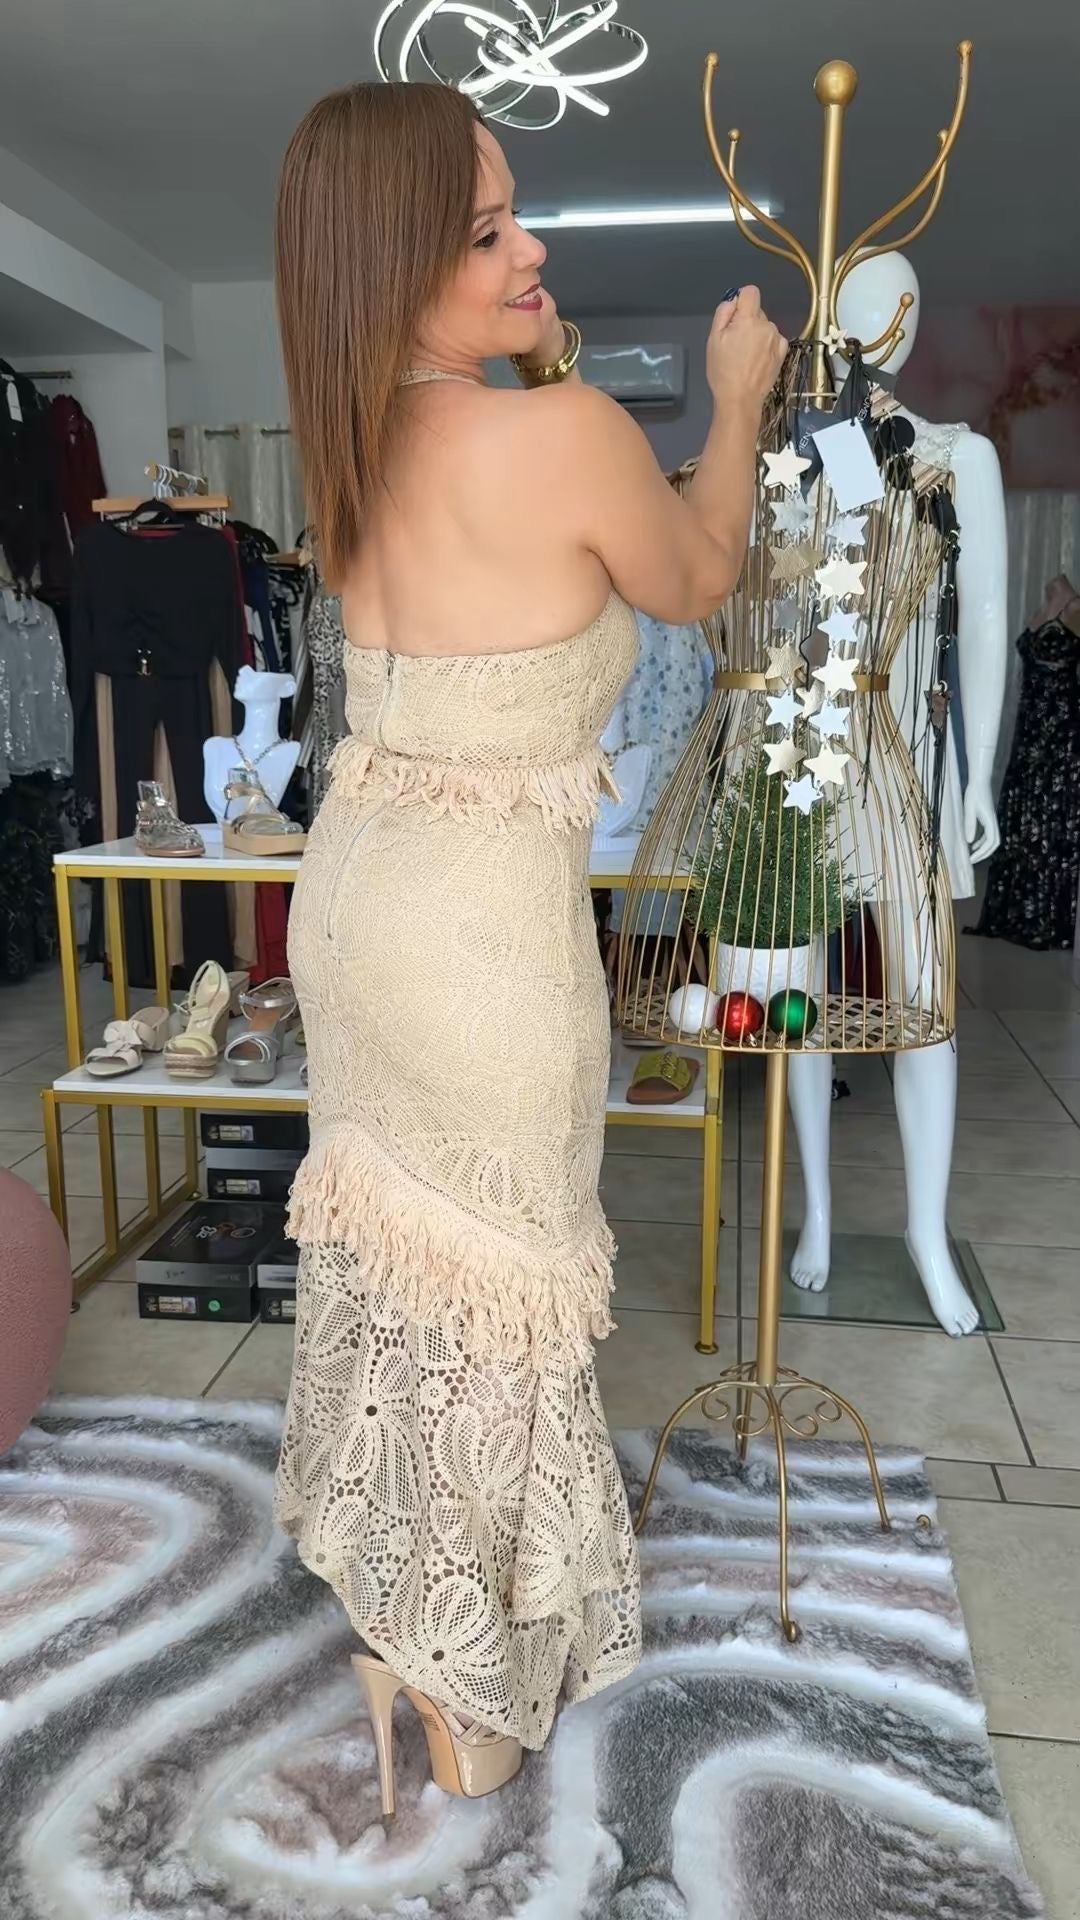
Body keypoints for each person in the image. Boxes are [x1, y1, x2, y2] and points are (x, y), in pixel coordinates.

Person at [272, 79, 785, 1815]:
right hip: (481, 934)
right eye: (486, 230)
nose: (530, 245)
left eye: (516, 211)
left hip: (355, 903)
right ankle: (464, 1685)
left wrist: (538, 341)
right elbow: (698, 572)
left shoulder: (351, 450)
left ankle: (405, 1632)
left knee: (407, 1279)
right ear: (389, 262)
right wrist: (734, 398)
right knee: (503, 1297)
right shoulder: (560, 439)